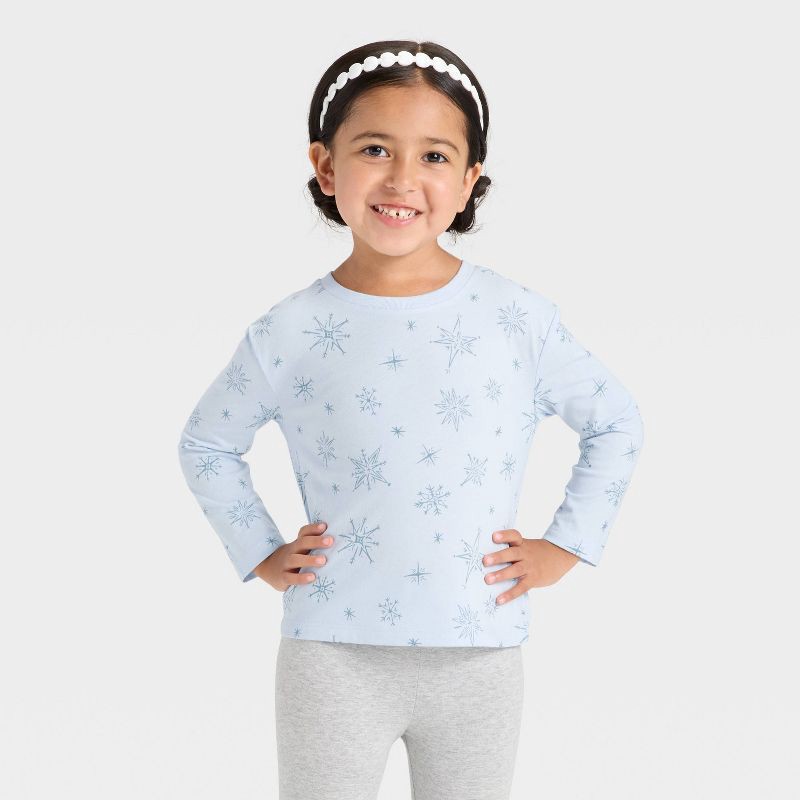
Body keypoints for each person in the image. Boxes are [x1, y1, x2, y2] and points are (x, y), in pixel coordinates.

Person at [177, 39, 644, 800]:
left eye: (433, 156)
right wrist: (259, 549)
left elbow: (616, 423)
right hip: (332, 655)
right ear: (326, 167)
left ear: (468, 181)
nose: (401, 178)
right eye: (374, 149)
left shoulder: (516, 318)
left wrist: (565, 547)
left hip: (478, 653)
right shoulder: (290, 330)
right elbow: (206, 442)